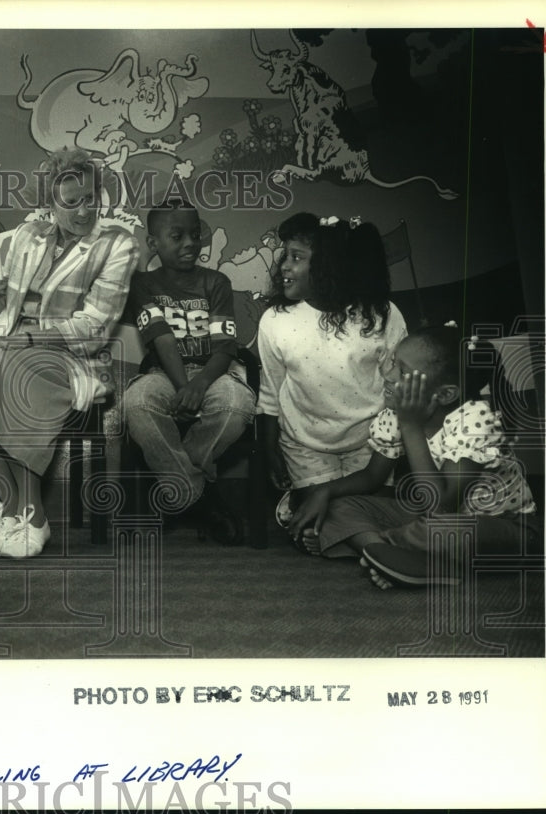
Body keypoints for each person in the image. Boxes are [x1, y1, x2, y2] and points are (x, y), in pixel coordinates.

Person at [0, 148, 139, 558]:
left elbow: (95, 327)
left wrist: (32, 340)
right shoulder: (26, 236)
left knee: (19, 364)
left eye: (91, 198)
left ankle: (33, 513)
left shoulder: (118, 245)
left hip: (71, 358)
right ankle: (9, 507)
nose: (84, 210)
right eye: (71, 202)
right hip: (8, 344)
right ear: (50, 204)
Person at [288, 324, 540, 587]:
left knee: (451, 532)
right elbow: (372, 477)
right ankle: (398, 559)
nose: (387, 374)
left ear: (444, 394)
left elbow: (442, 507)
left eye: (402, 371)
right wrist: (323, 492)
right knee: (340, 506)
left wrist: (411, 425)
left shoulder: (475, 419)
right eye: (393, 363)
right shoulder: (394, 414)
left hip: (502, 527)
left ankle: (377, 549)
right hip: (426, 519)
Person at [256, 212, 408, 546]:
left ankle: (337, 532)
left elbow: (398, 391)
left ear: (330, 266)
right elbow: (270, 393)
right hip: (306, 444)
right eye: (285, 255)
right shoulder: (275, 320)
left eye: (297, 257)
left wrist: (386, 452)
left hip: (371, 444)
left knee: (357, 512)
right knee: (334, 512)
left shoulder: (383, 314)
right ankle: (372, 547)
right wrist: (270, 451)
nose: (284, 266)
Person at [122, 199, 256, 542]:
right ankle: (201, 495)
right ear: (153, 243)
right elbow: (162, 338)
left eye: (195, 235)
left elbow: (225, 346)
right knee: (137, 403)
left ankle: (176, 490)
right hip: (164, 374)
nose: (189, 244)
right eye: (177, 236)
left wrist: (200, 384)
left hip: (214, 372)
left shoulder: (216, 282)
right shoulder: (143, 284)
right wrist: (186, 385)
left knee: (235, 406)